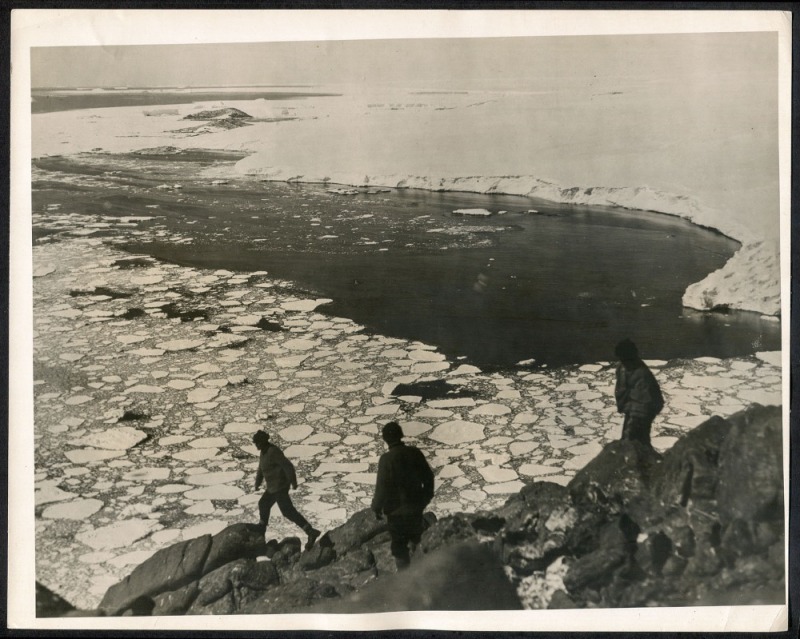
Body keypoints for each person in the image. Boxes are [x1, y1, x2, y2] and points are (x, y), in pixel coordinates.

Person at [371, 421, 435, 570]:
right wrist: (425, 499)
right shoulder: (414, 453)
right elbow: (428, 477)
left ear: (385, 439)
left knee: (399, 548)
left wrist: (376, 507)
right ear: (400, 434)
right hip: (415, 510)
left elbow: (381, 488)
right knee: (418, 542)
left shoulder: (386, 459)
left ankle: (405, 581)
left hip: (396, 514)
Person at [252, 430, 320, 550]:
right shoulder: (263, 452)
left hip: (280, 486)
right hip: (272, 488)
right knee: (263, 503)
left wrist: (293, 481)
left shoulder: (273, 451)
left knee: (287, 511)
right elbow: (261, 469)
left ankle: (310, 531)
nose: (256, 445)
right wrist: (257, 483)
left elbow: (287, 465)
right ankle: (261, 531)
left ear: (262, 442)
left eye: (257, 443)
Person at [614, 338, 664, 447]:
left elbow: (644, 404)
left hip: (644, 410)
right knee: (628, 439)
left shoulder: (642, 375)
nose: (624, 362)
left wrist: (633, 424)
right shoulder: (622, 367)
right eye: (622, 359)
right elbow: (621, 390)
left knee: (637, 440)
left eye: (626, 360)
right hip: (632, 408)